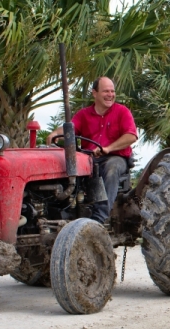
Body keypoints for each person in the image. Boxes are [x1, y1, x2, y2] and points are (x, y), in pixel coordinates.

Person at [47, 76, 137, 223]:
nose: (110, 94)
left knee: (111, 168)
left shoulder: (122, 112)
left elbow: (131, 136)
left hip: (115, 157)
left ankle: (99, 219)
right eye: (106, 91)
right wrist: (56, 134)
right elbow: (70, 128)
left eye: (112, 91)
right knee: (63, 167)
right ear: (94, 93)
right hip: (89, 159)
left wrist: (108, 148)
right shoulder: (84, 114)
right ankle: (61, 211)